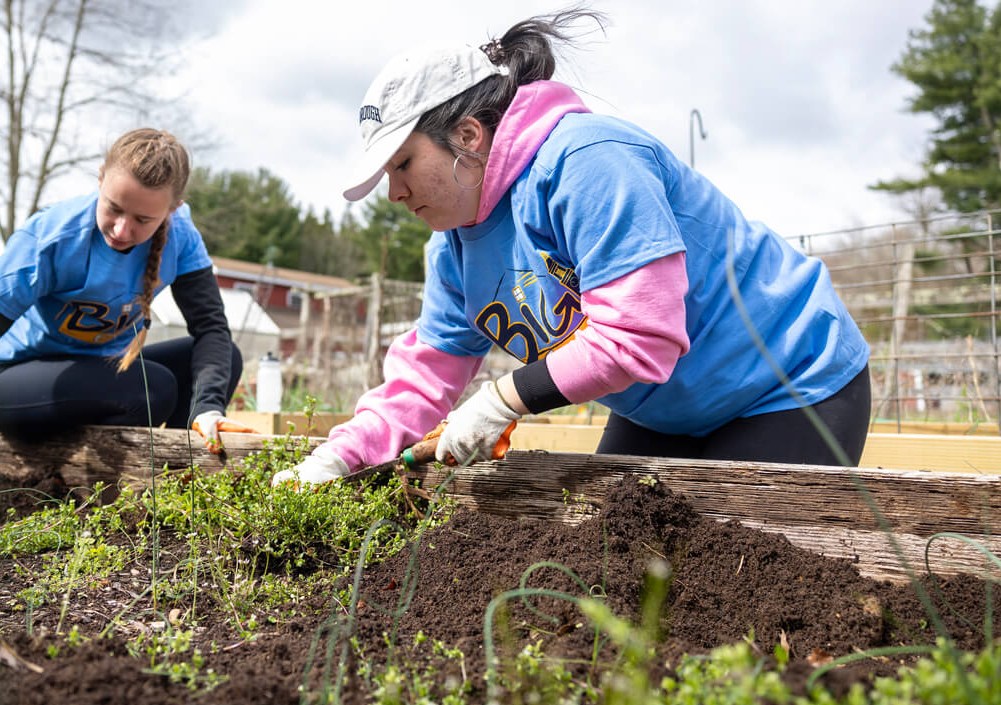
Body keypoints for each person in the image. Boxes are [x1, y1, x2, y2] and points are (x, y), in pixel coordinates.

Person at [273, 9, 871, 488]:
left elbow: (641, 336)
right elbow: (423, 382)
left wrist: (504, 399)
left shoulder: (586, 162)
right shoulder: (453, 249)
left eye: (403, 164)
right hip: (667, 408)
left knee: (743, 577)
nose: (394, 193)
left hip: (787, 382)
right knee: (612, 565)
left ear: (467, 136)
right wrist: (338, 458)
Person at [0, 128, 250, 496]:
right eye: (114, 208)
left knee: (223, 357)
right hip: (11, 378)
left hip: (97, 372)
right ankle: (76, 479)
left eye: (143, 220)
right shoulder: (53, 238)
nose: (122, 229)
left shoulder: (182, 234)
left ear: (171, 210)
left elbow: (211, 328)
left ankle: (177, 484)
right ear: (100, 178)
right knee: (154, 388)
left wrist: (208, 409)